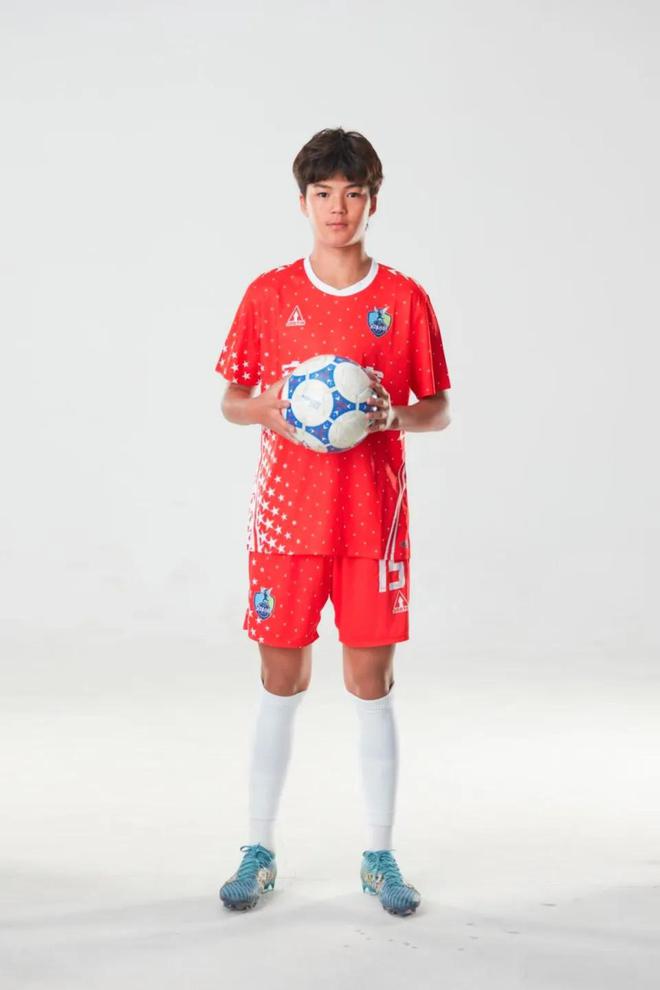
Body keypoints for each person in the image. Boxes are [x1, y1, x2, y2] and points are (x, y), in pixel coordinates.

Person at [214, 127, 452, 916]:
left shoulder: (404, 300)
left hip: (371, 522)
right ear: (303, 202)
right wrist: (267, 410)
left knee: (369, 682)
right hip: (286, 524)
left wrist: (394, 416)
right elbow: (231, 401)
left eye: (353, 194)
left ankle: (379, 855)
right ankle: (258, 849)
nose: (338, 209)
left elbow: (438, 407)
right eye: (323, 194)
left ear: (373, 201)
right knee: (280, 680)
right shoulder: (269, 295)